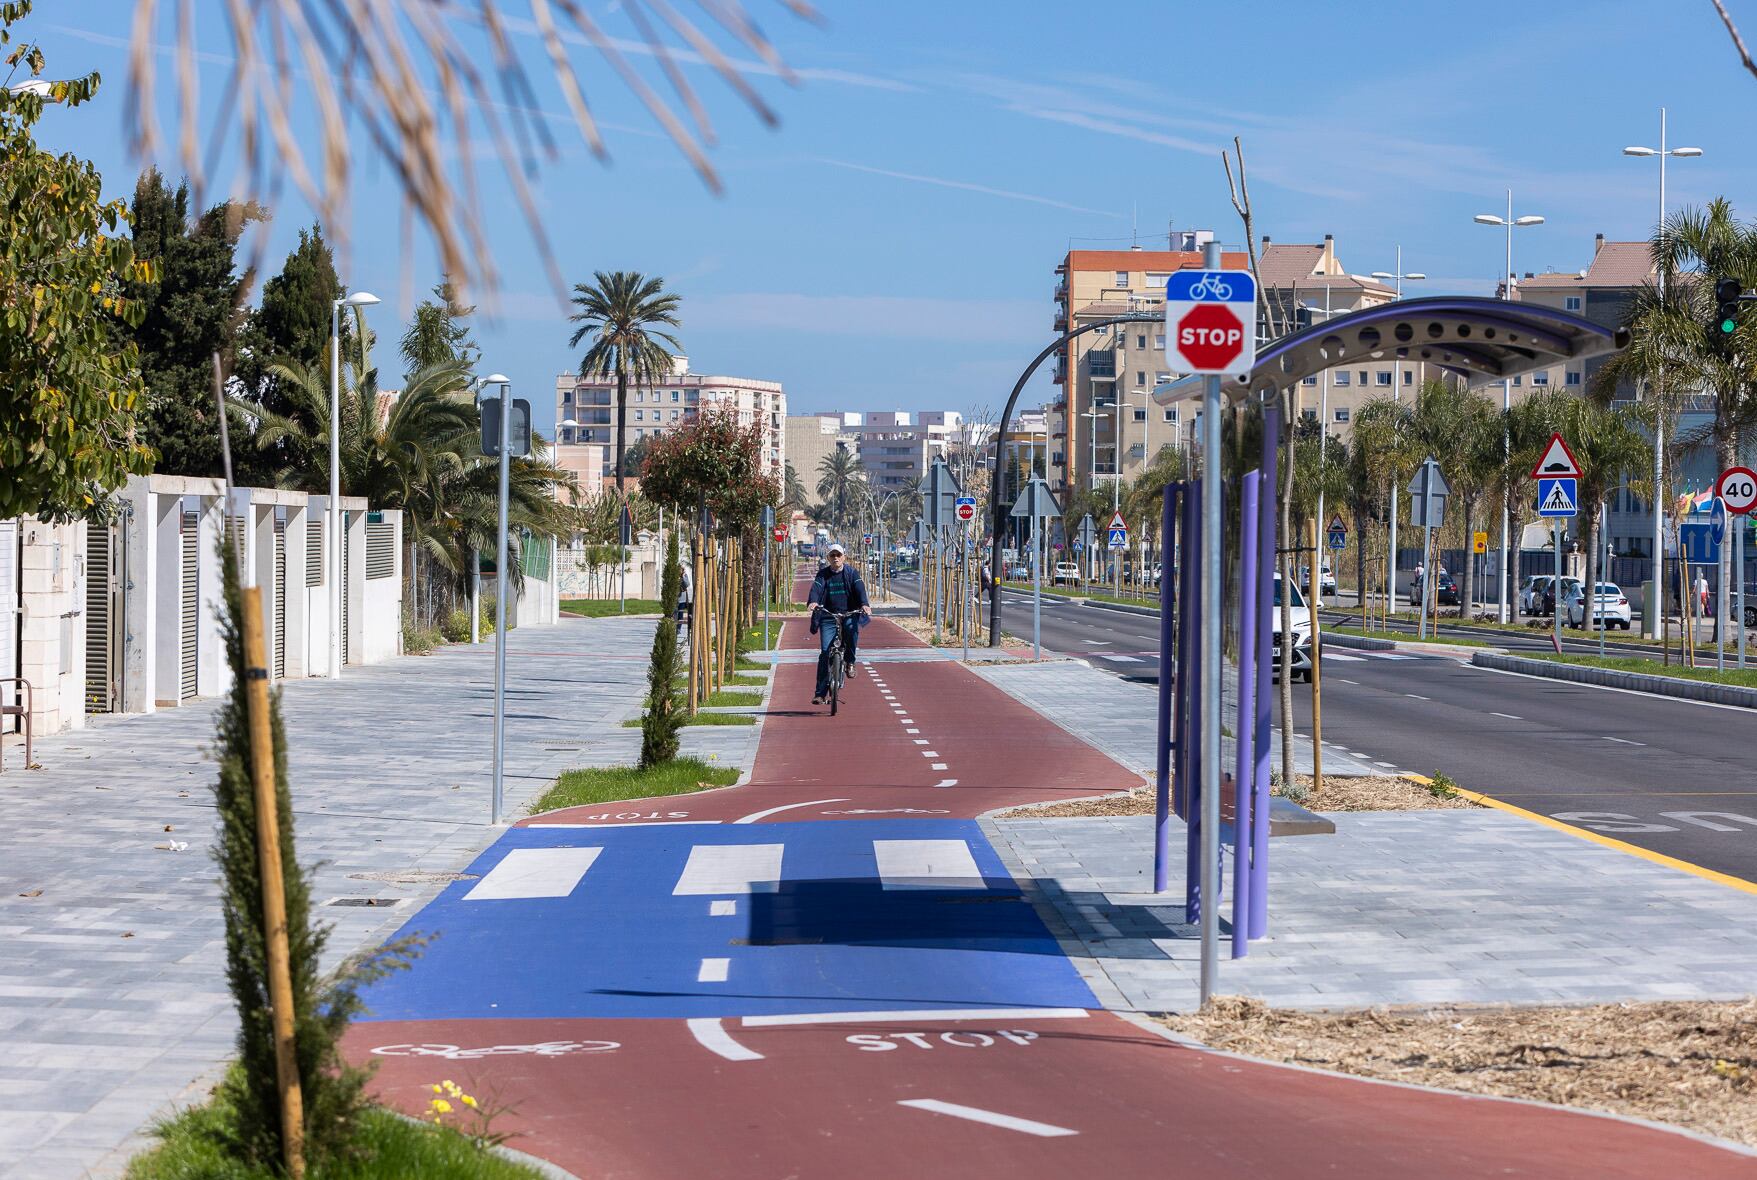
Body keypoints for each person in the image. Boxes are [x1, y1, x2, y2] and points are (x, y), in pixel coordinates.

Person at [808, 543, 870, 704]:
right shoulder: (823, 574)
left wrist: (864, 604)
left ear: (844, 557)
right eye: (832, 555)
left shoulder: (851, 573)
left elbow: (859, 588)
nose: (835, 558)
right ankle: (820, 693)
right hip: (828, 615)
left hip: (849, 613)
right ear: (828, 558)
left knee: (851, 630)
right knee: (824, 652)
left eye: (838, 555)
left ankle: (850, 662)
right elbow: (816, 588)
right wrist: (813, 601)